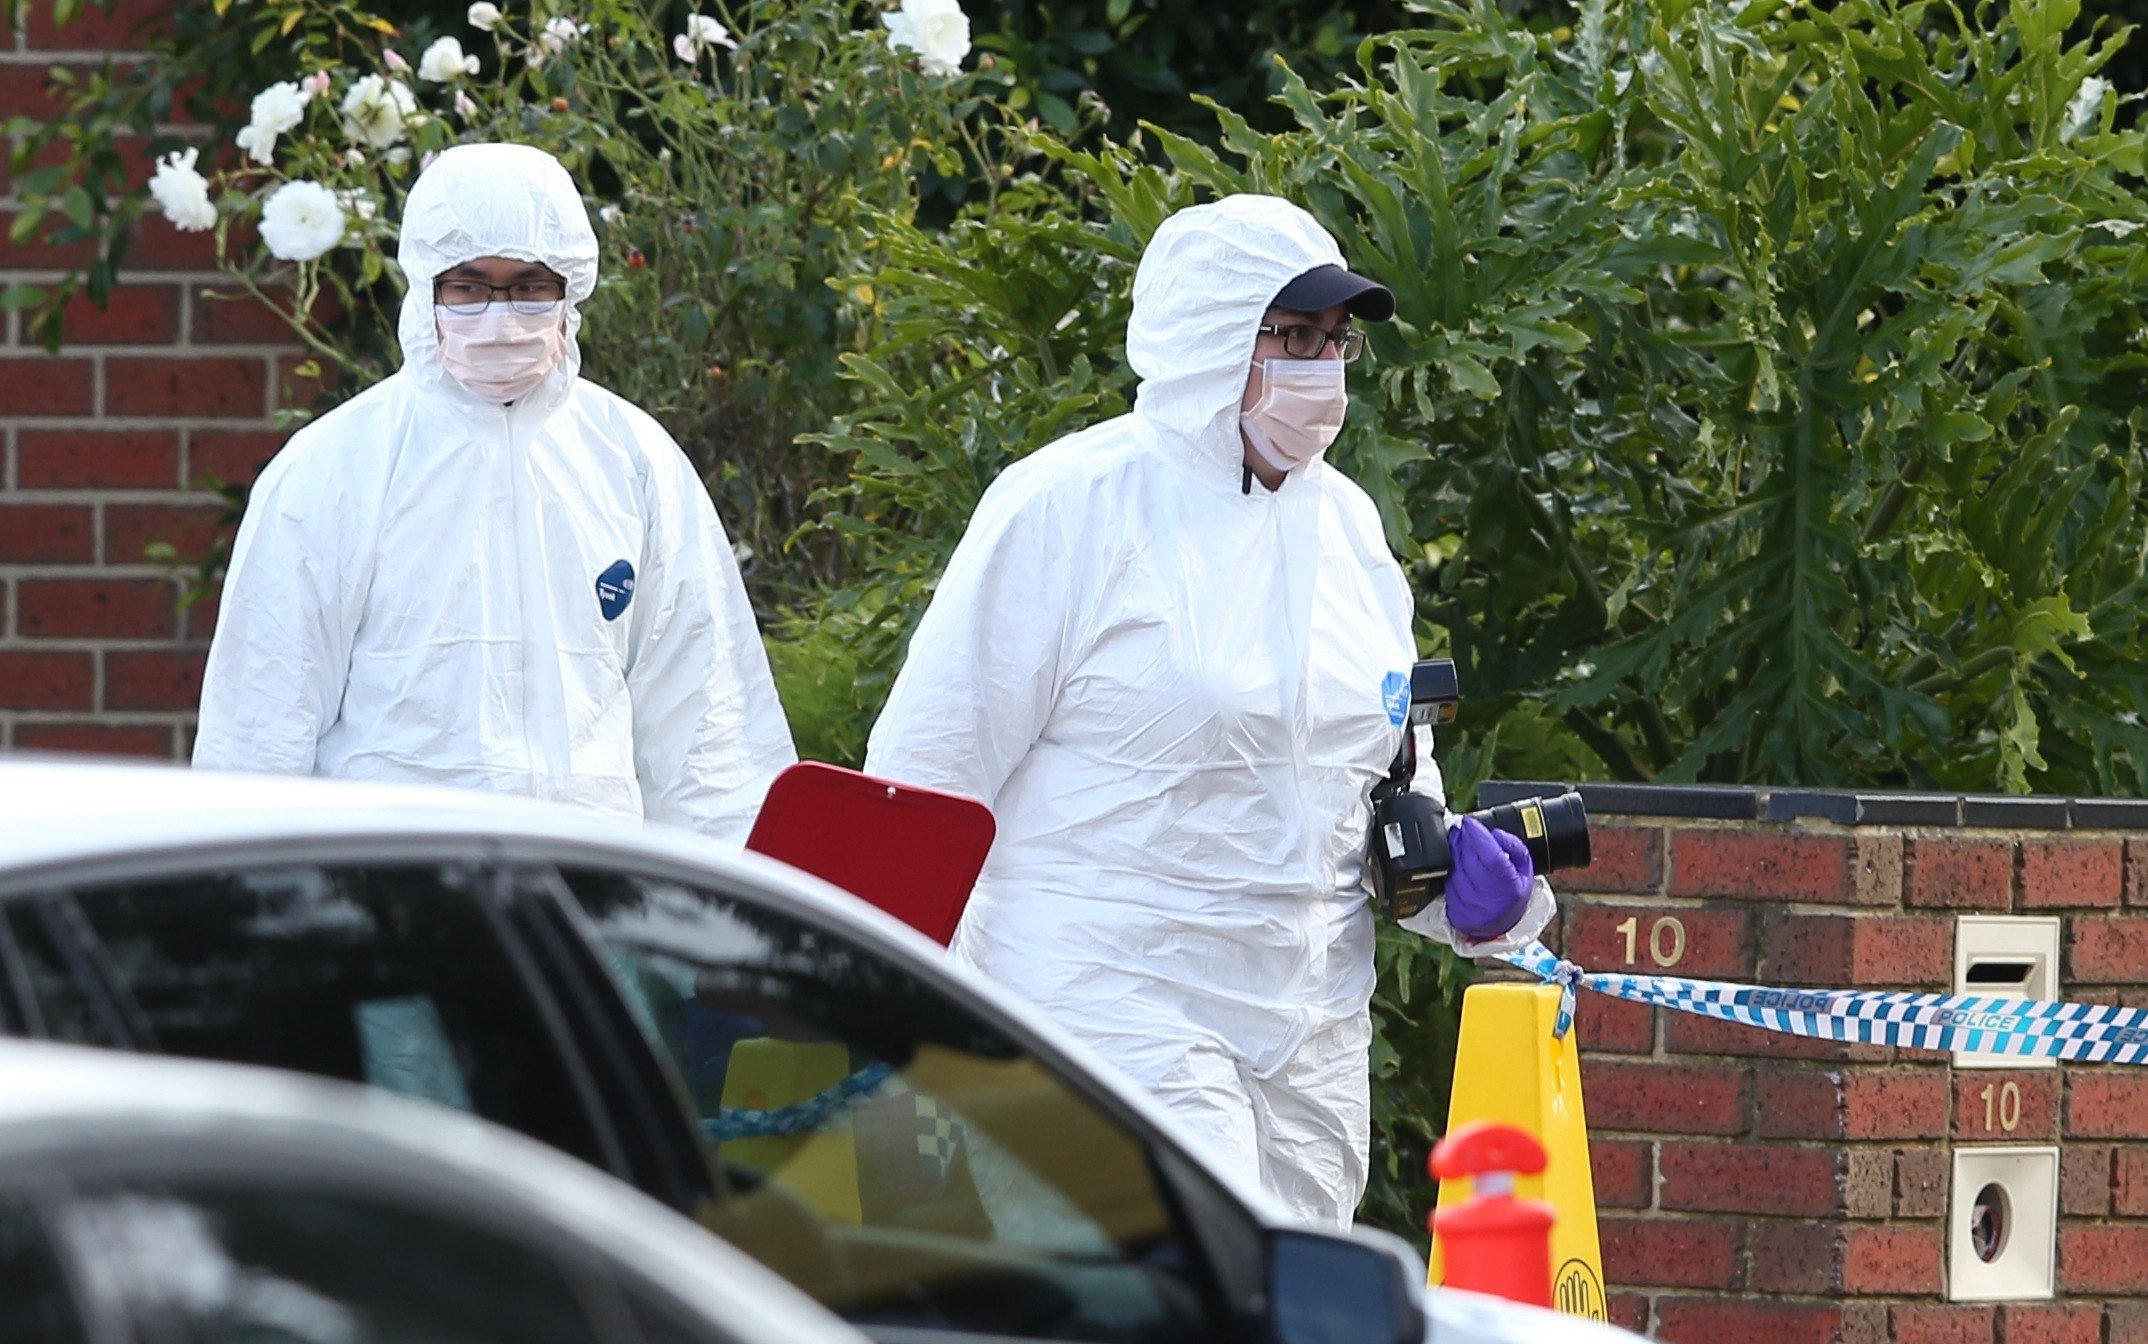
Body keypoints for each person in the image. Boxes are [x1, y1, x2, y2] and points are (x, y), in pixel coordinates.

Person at [863, 194, 1554, 1227]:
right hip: (1105, 992)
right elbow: (922, 775)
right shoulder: (1074, 507)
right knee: (1180, 1280)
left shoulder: (1349, 530)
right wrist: (898, 1029)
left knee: (1293, 1299)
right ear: (1206, 338)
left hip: (1308, 1019)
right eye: (1292, 337)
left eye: (1336, 341)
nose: (1321, 370)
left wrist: (1454, 878)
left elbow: (1383, 757)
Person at [194, 143, 794, 842]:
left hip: (590, 896)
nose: (501, 317)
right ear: (426, 287)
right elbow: (260, 723)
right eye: (470, 286)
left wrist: (733, 911)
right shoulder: (335, 468)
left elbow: (708, 723)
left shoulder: (632, 460)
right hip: (394, 893)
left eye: (530, 286)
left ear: (572, 287)